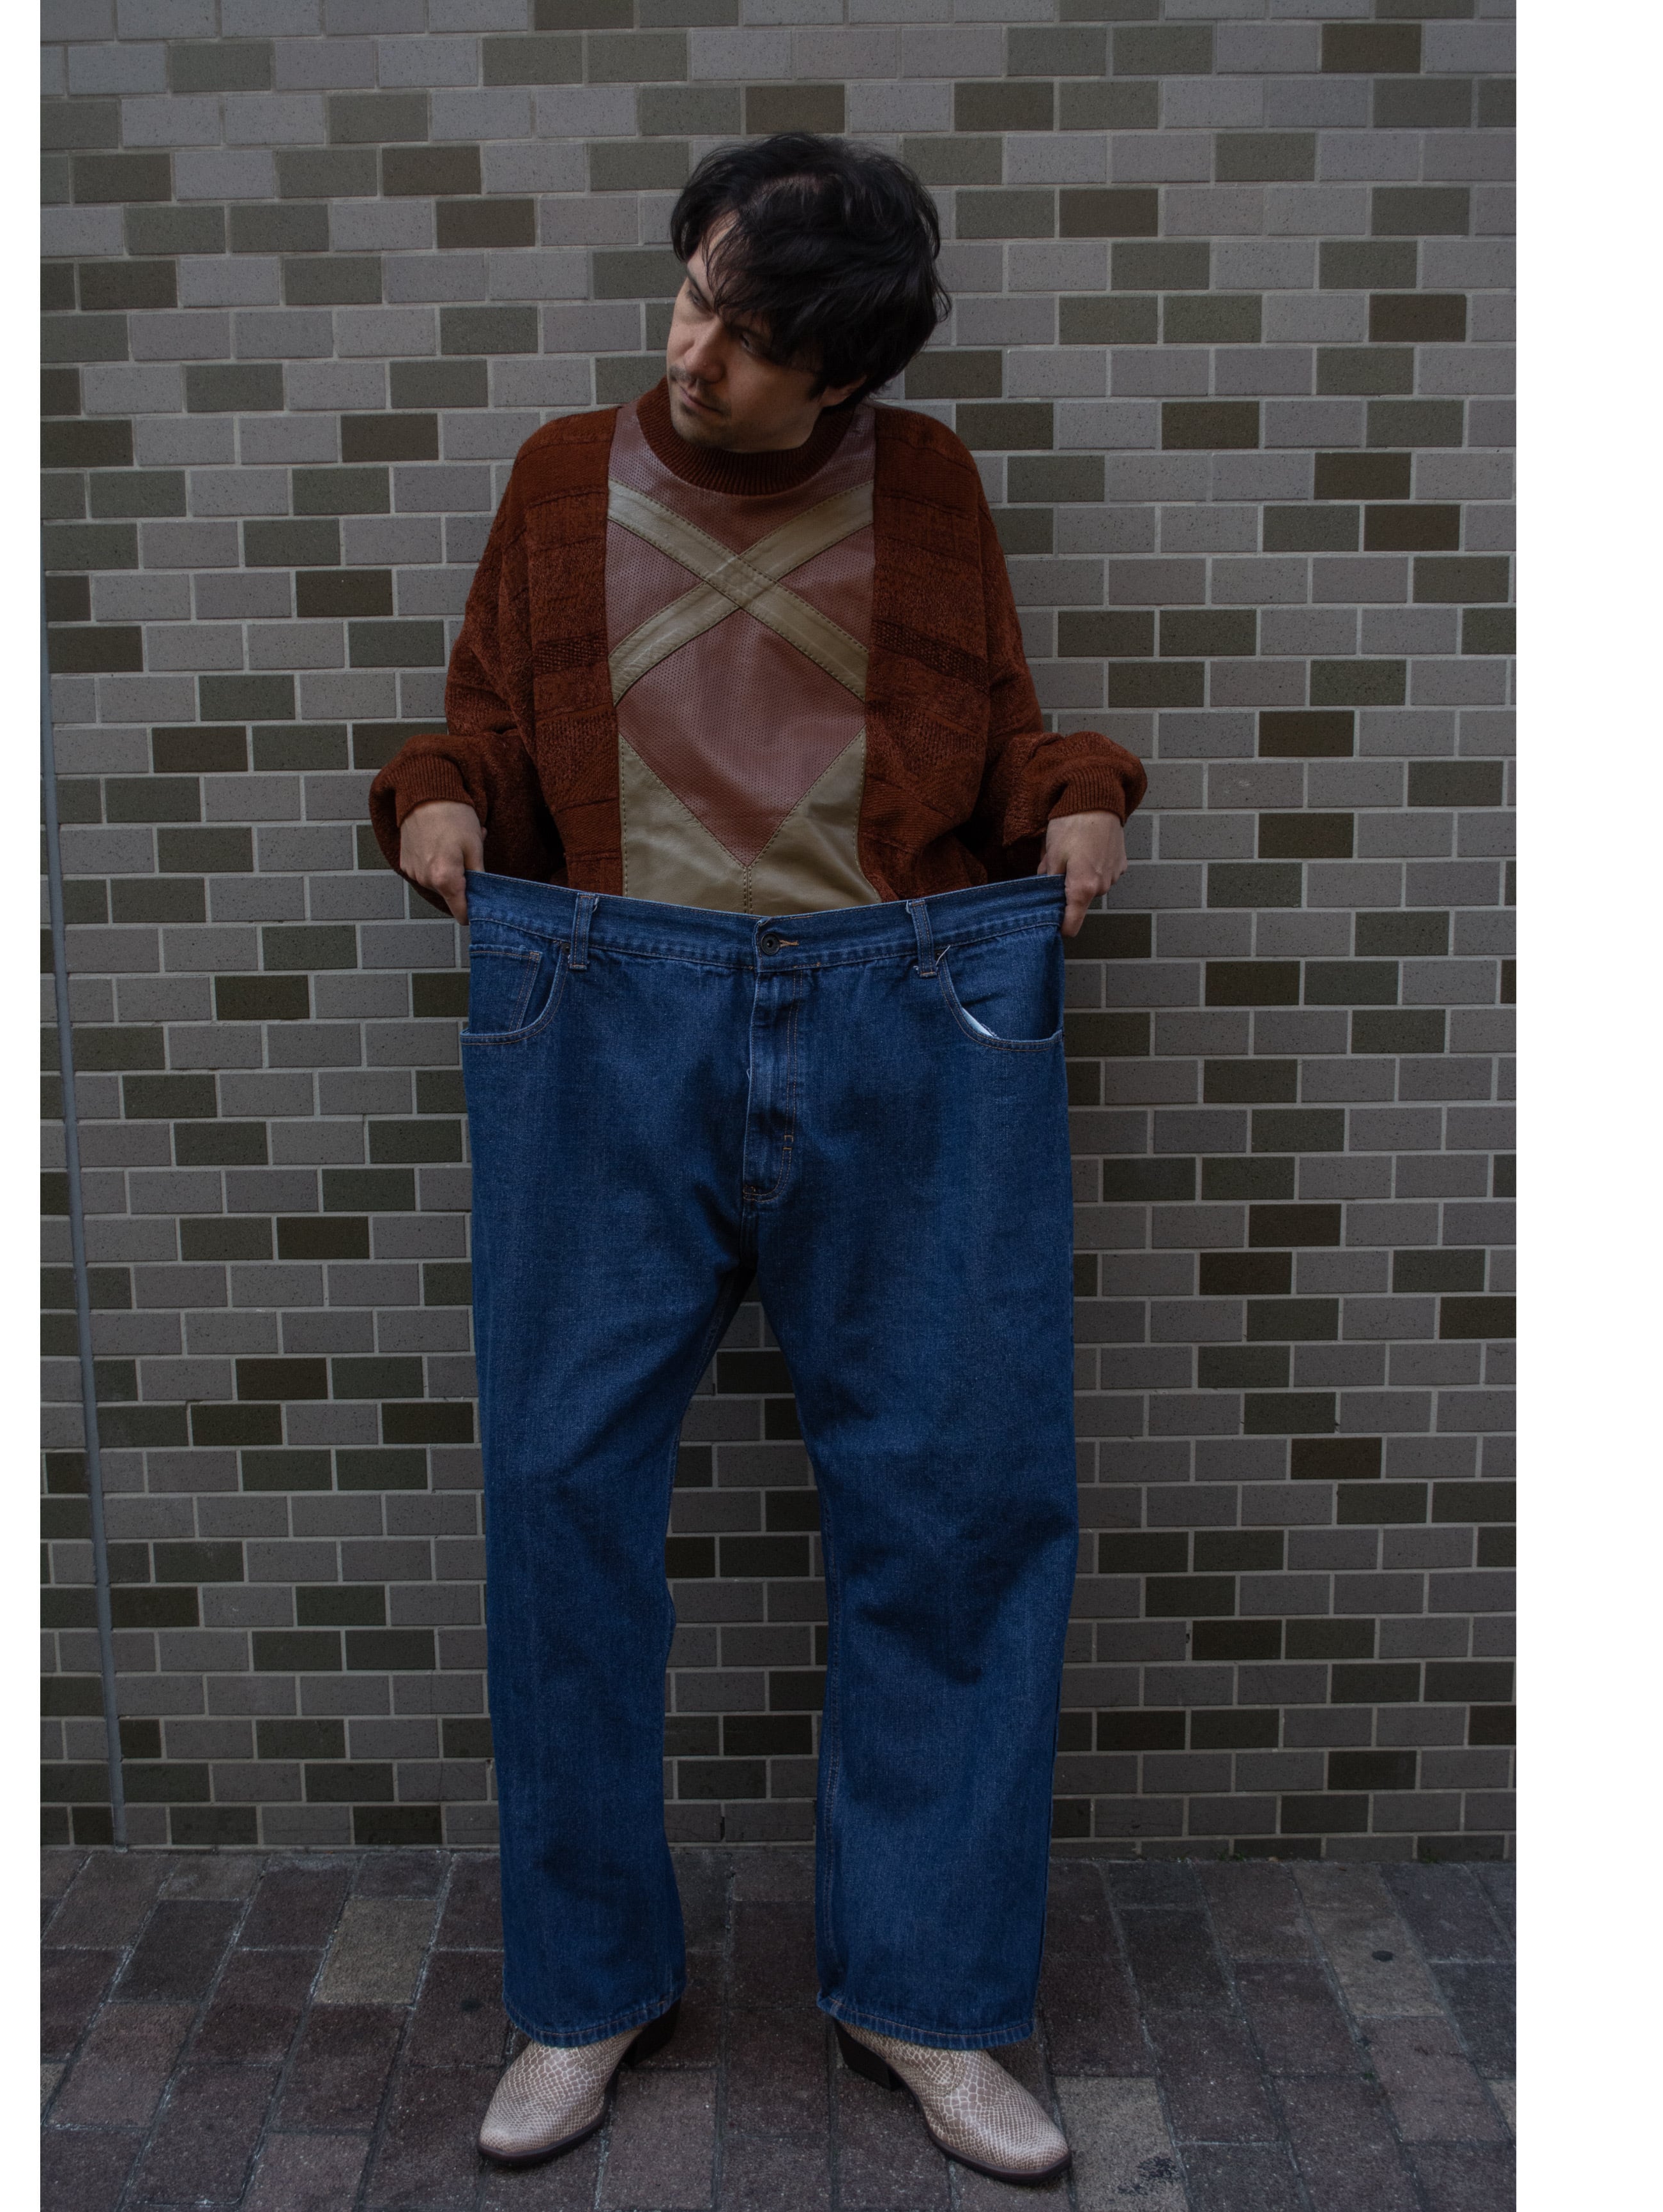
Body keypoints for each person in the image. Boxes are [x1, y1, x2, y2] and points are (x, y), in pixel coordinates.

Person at [367, 132, 1146, 2186]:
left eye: (747, 337)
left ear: (846, 375)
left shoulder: (927, 485)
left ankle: (927, 1997)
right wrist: (434, 807)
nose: (692, 353)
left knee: (956, 1510)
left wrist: (1079, 803)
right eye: (695, 296)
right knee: (560, 1502)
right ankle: (583, 1991)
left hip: (903, 1013)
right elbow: (478, 727)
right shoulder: (562, 478)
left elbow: (1004, 739)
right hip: (603, 1009)